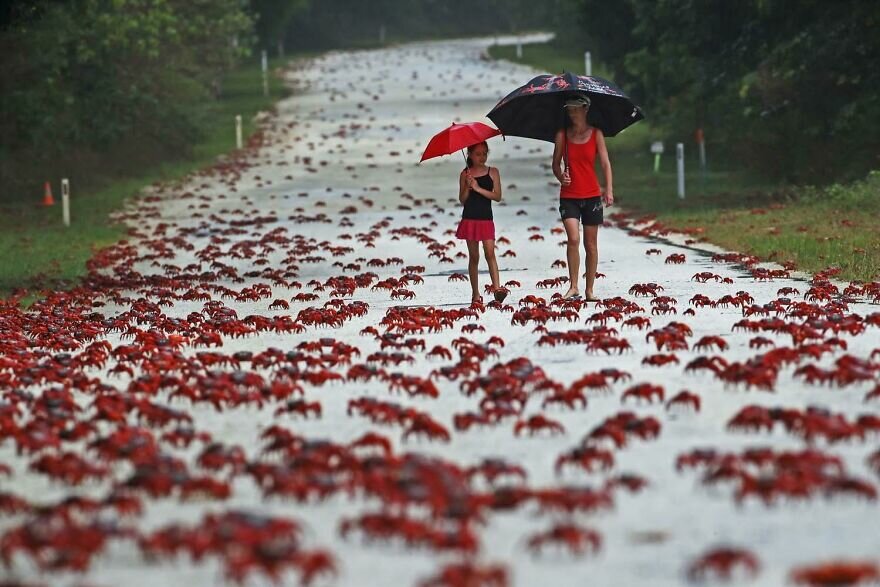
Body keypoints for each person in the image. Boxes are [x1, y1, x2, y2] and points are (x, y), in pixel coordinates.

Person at [552, 94, 614, 301]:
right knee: (573, 238)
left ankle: (589, 289)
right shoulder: (562, 135)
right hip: (569, 195)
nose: (573, 113)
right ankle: (573, 285)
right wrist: (562, 176)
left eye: (576, 109)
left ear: (585, 109)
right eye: (569, 110)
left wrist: (609, 189)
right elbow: (555, 164)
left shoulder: (596, 134)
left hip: (592, 195)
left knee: (591, 244)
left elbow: (605, 163)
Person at [456, 141, 507, 304]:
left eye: (485, 153)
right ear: (469, 154)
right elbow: (462, 200)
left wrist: (478, 188)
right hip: (470, 218)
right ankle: (476, 294)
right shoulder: (465, 174)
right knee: (474, 257)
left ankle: (497, 288)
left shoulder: (493, 172)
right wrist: (467, 188)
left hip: (486, 218)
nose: (482, 157)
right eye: (478, 154)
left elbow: (497, 196)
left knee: (490, 253)